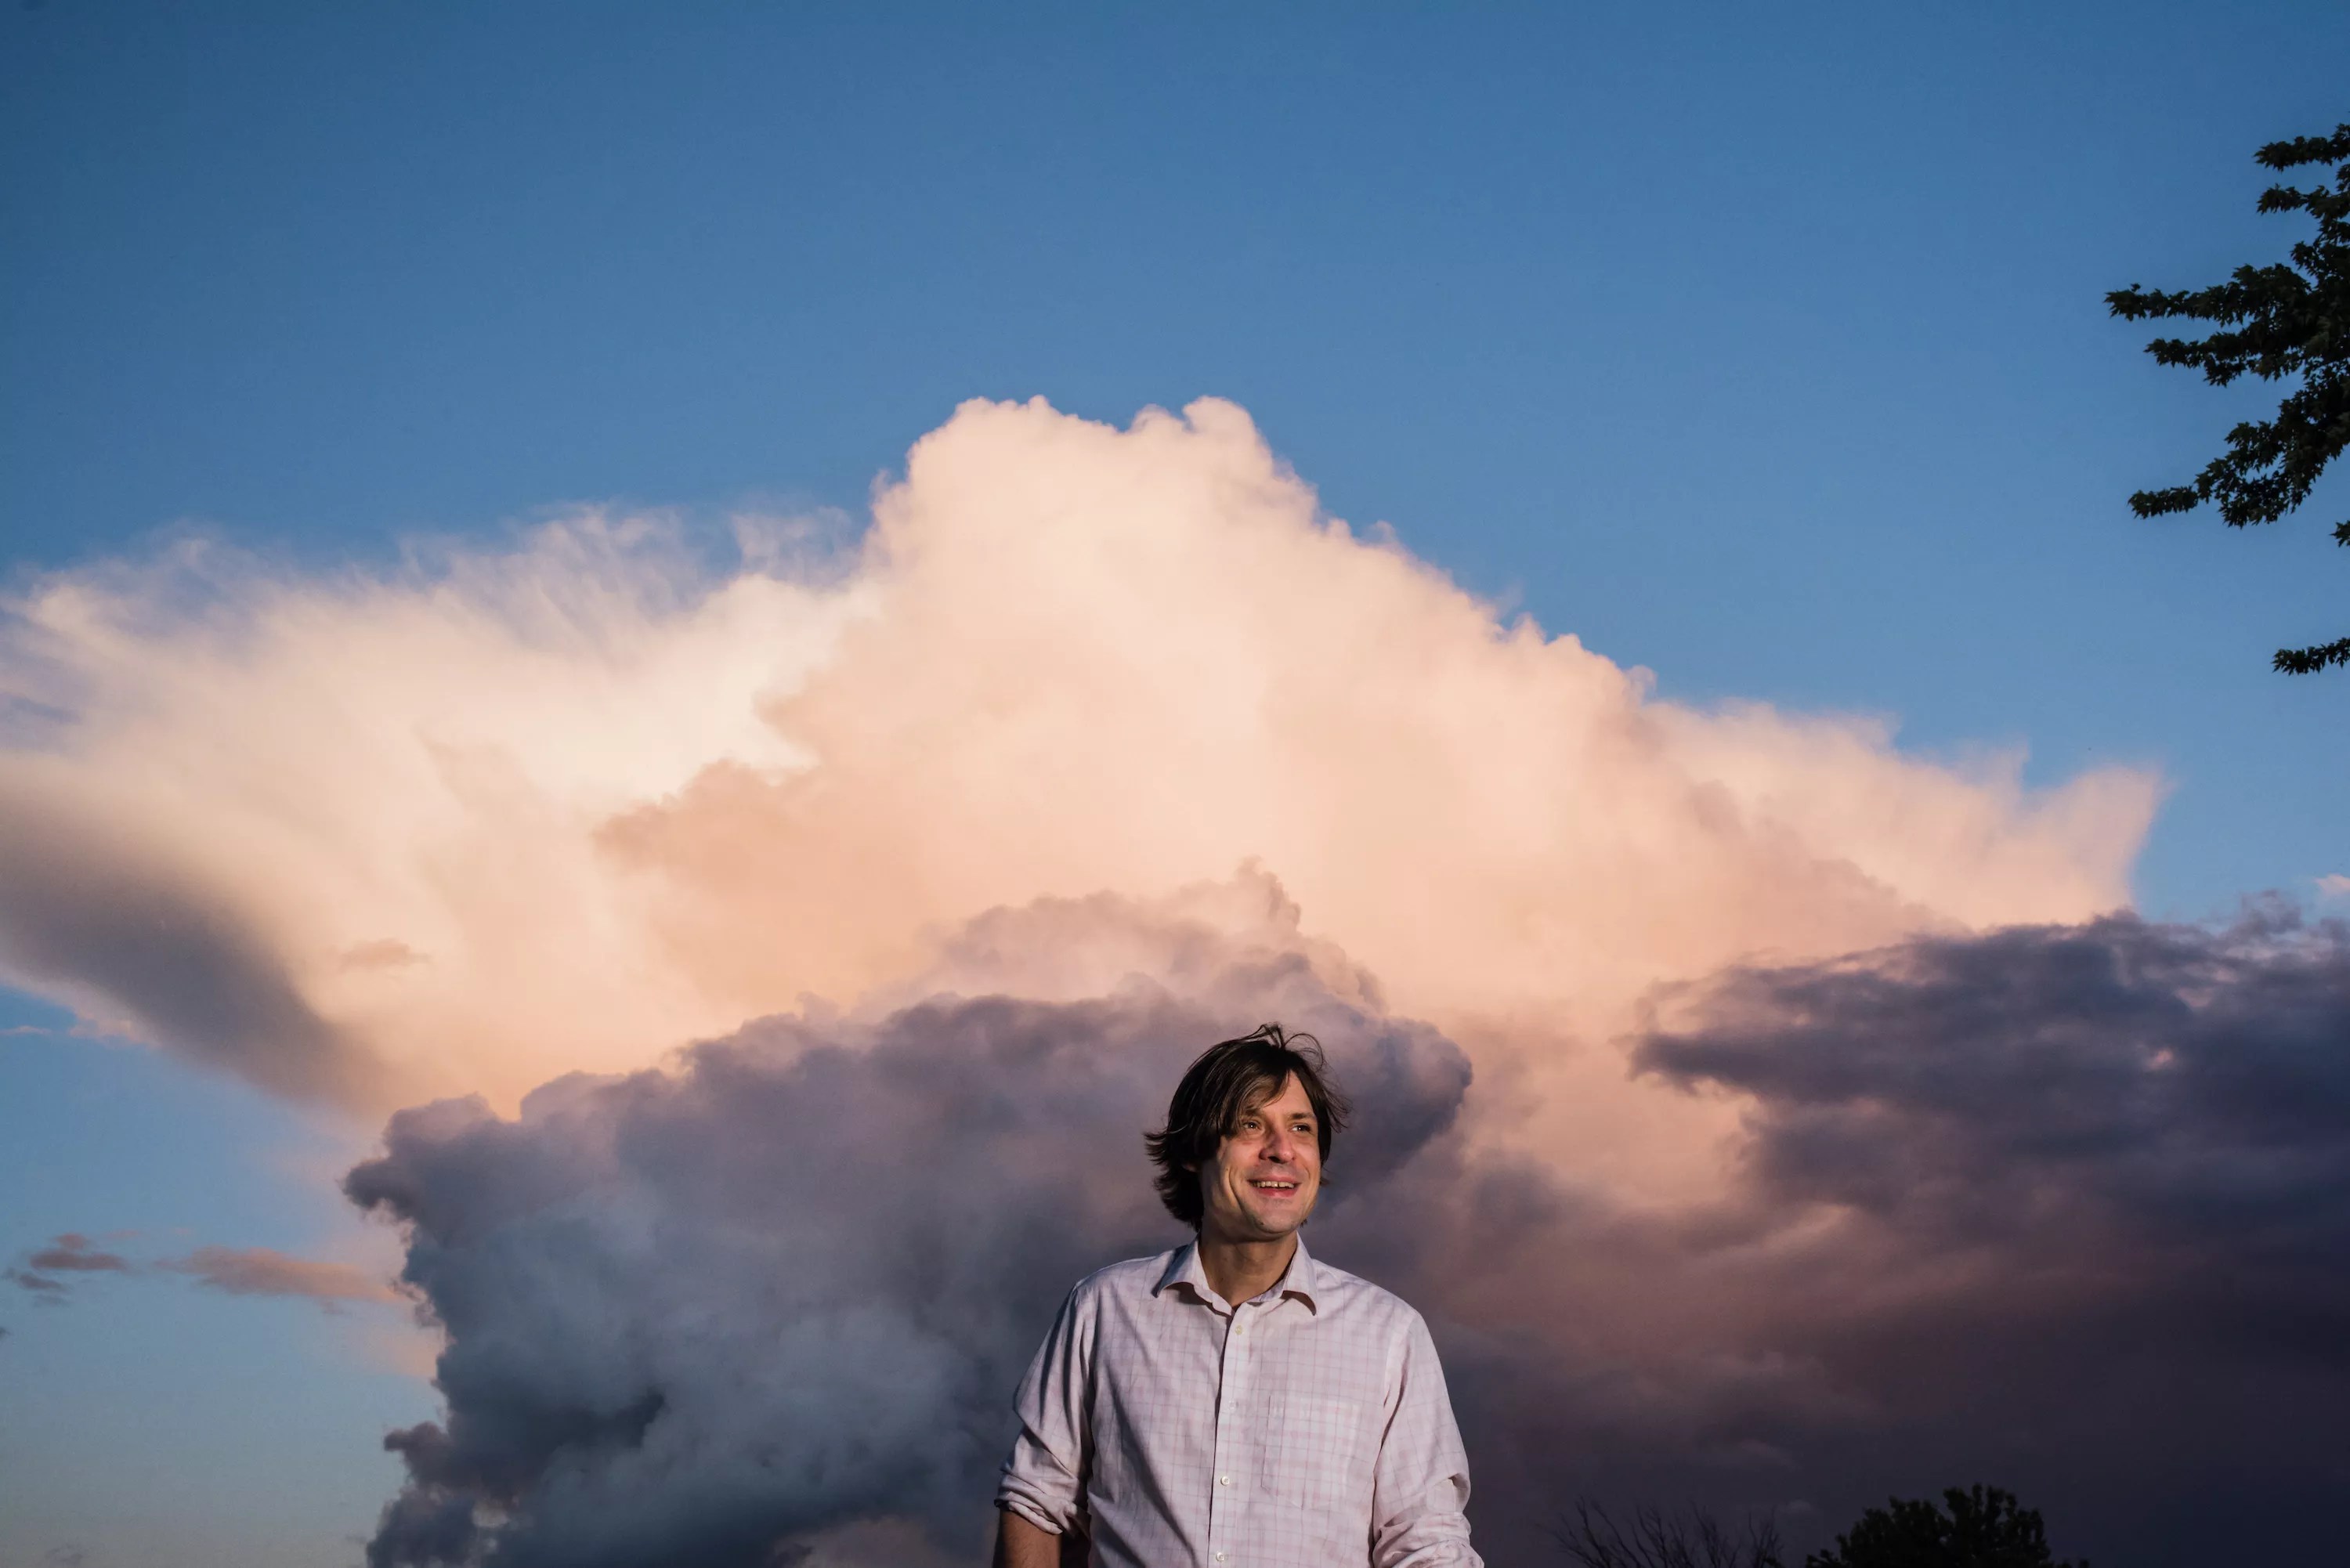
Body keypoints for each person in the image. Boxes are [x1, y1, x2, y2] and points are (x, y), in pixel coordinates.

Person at [994, 1024, 1482, 1567]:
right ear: (1193, 1151)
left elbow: (1425, 1543)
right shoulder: (1103, 1310)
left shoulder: (1389, 1334)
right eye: (1251, 1125)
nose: (1282, 1150)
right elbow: (1038, 1502)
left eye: (1301, 1128)